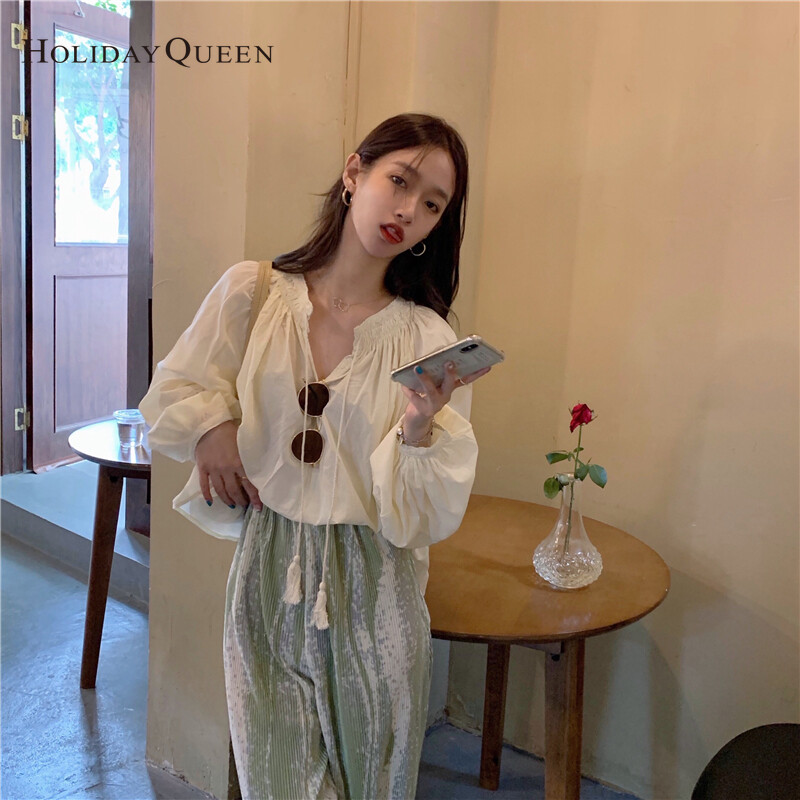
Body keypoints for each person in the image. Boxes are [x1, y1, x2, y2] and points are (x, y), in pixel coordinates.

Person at [139, 112, 492, 800]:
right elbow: (176, 385)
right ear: (354, 172)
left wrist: (418, 427)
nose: (408, 211)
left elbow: (422, 515)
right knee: (275, 779)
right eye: (400, 181)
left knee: (371, 786)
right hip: (267, 572)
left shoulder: (427, 338)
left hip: (375, 586)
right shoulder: (253, 293)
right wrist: (211, 429)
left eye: (432, 204)